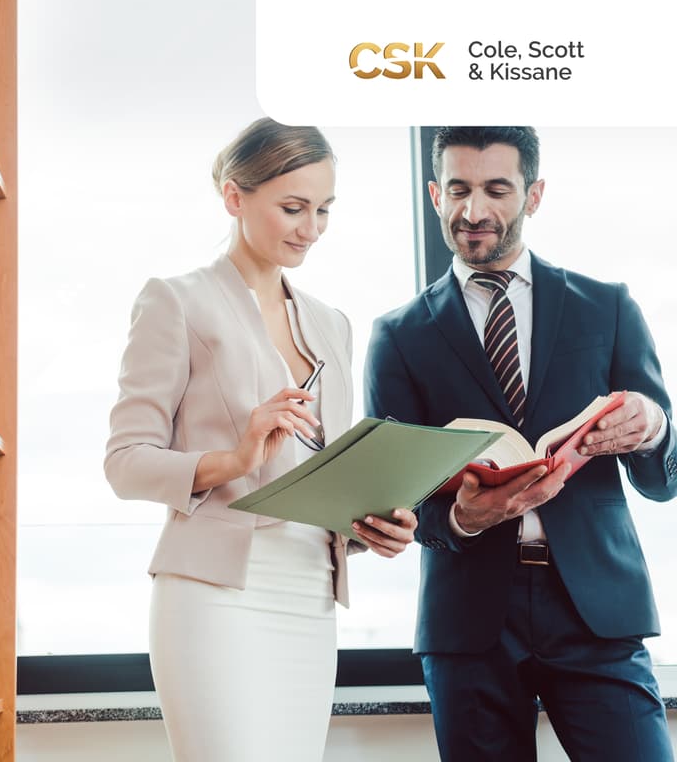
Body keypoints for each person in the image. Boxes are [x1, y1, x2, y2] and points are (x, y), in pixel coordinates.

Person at [104, 117, 417, 762]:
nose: (312, 228)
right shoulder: (177, 301)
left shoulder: (332, 324)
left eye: (325, 209)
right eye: (294, 207)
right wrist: (236, 458)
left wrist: (372, 526)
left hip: (308, 592)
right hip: (215, 593)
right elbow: (125, 463)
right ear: (234, 197)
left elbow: (328, 475)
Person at [364, 126, 677, 761]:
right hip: (470, 622)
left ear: (533, 195)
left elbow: (664, 477)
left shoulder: (607, 307)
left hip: (596, 611)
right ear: (434, 193)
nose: (472, 212)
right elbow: (390, 497)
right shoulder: (398, 336)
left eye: (495, 190)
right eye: (457, 190)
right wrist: (458, 517)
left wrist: (654, 425)